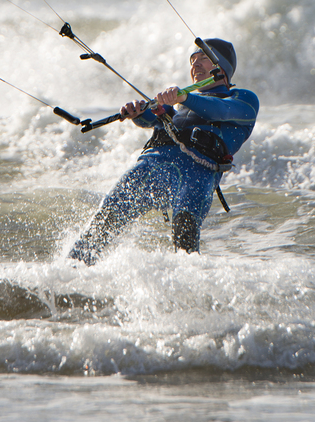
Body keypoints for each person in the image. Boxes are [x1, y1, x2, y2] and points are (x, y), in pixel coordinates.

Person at [67, 38, 259, 265]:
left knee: (185, 238)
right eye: (192, 60)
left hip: (196, 175)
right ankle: (69, 273)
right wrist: (138, 112)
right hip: (151, 165)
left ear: (222, 67)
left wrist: (185, 97)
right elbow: (150, 119)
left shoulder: (243, 99)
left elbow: (222, 111)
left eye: (203, 57)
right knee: (106, 217)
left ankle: (187, 285)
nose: (195, 64)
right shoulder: (176, 105)